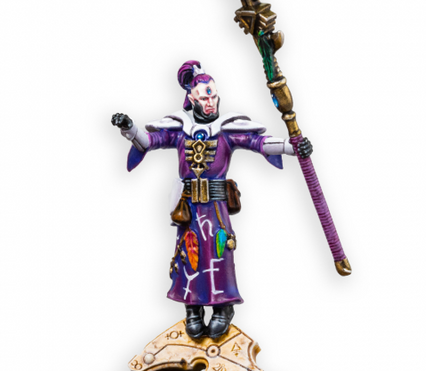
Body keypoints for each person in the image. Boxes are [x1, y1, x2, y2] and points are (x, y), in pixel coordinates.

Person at [112, 60, 312, 339]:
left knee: (220, 253)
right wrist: (130, 128)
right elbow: (149, 141)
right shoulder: (180, 129)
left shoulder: (227, 129)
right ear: (192, 99)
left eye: (214, 96)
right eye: (205, 98)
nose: (210, 102)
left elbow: (257, 142)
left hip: (216, 208)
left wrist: (292, 147)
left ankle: (222, 308)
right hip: (189, 209)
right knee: (189, 254)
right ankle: (192, 309)